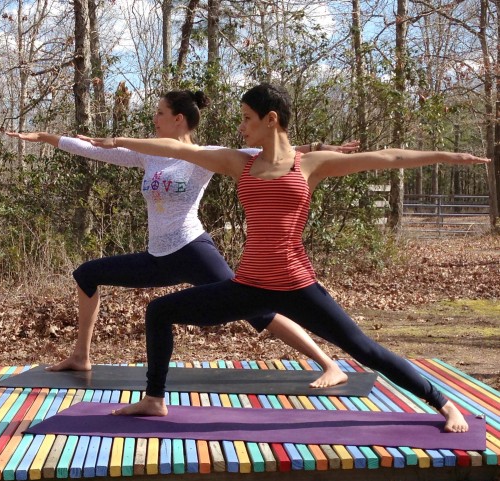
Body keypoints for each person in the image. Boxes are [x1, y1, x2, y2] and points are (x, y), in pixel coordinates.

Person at [80, 83, 489, 432]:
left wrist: (447, 156)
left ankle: (442, 402)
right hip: (249, 286)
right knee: (159, 311)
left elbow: (388, 157)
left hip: (297, 286)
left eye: (246, 119)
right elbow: (176, 148)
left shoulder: (309, 164)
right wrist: (118, 142)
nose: (240, 127)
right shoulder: (239, 162)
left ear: (271, 119)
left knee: (364, 348)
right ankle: (154, 398)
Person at [6, 89, 358, 388]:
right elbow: (94, 149)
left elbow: (274, 151)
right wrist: (48, 138)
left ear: (178, 119)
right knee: (87, 274)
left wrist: (324, 148)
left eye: (160, 113)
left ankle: (329, 363)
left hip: (193, 251)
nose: (154, 119)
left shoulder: (203, 157)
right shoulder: (148, 153)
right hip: (157, 257)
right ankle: (80, 356)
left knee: (259, 313)